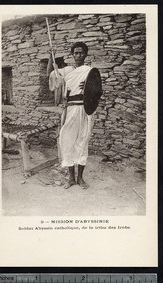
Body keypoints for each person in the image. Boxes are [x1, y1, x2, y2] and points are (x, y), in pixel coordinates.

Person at [47, 42, 94, 189]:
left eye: (81, 53)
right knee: (67, 141)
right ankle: (71, 178)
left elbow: (98, 91)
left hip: (86, 110)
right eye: (76, 53)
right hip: (71, 109)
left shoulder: (90, 71)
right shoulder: (67, 70)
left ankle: (80, 178)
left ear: (85, 54)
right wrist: (50, 56)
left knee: (83, 141)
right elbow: (51, 75)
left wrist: (88, 87)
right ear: (72, 55)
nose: (78, 55)